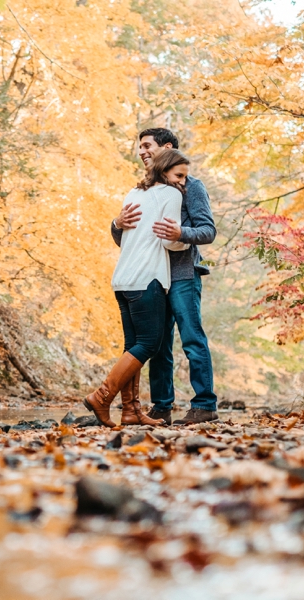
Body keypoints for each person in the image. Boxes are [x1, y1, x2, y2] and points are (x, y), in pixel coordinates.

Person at [111, 128, 218, 425]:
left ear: (166, 148)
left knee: (191, 338)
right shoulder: (143, 191)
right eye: (140, 147)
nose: (142, 152)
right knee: (157, 345)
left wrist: (180, 233)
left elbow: (207, 230)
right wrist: (117, 223)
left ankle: (205, 405)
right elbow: (129, 239)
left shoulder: (191, 186)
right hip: (151, 277)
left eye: (147, 146)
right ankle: (161, 406)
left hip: (182, 275)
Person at [84, 149, 191, 427]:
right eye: (179, 175)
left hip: (123, 278)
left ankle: (131, 411)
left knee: (132, 345)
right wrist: (186, 240)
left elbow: (129, 234)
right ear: (164, 170)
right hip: (147, 277)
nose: (182, 182)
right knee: (149, 344)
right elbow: (169, 239)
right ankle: (102, 395)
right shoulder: (171, 195)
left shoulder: (134, 193)